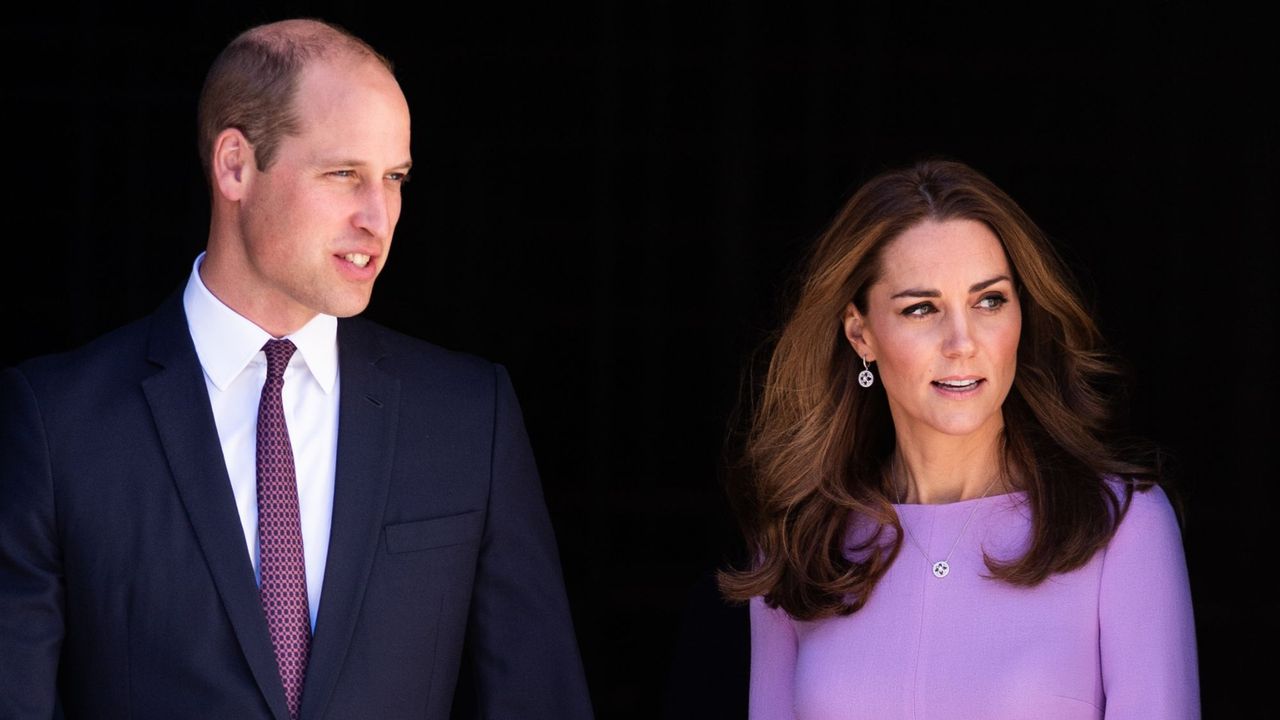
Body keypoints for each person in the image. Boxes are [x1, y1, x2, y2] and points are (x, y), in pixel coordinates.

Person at [0, 18, 592, 720]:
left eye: (395, 177)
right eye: (344, 174)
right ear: (234, 166)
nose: (381, 216)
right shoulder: (57, 422)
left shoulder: (469, 417)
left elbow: (537, 699)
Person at [719, 160, 1198, 719]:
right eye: (922, 308)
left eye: (989, 300)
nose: (962, 342)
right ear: (861, 333)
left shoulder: (1118, 524)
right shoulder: (801, 543)